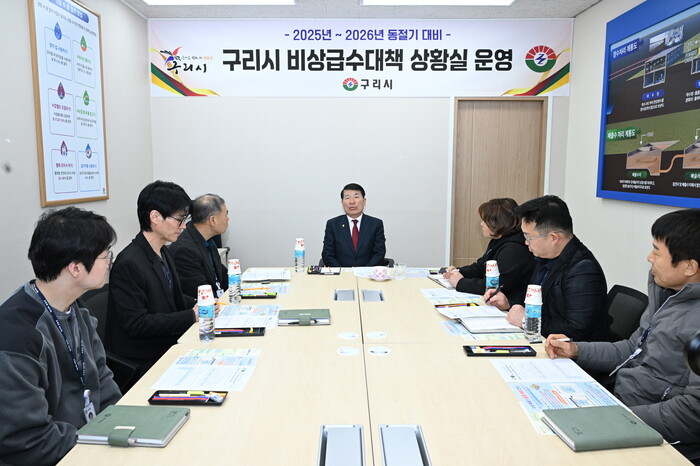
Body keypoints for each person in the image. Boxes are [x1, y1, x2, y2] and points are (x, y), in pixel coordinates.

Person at [545, 209, 700, 460]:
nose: (649, 258)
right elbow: (632, 349)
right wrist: (576, 349)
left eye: (657, 251)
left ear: (690, 267)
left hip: (660, 438)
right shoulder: (668, 296)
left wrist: (618, 418)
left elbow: (692, 413)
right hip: (623, 406)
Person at [0, 208, 121, 464]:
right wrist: (98, 445)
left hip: (86, 443)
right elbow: (26, 440)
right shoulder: (16, 336)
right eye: (105, 256)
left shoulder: (75, 308)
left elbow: (102, 378)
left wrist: (124, 426)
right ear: (75, 268)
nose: (109, 262)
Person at [107, 181, 197, 376]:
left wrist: (200, 303)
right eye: (179, 219)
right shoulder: (129, 263)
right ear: (155, 217)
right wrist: (192, 315)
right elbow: (137, 324)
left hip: (167, 346)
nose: (183, 226)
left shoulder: (163, 251)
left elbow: (169, 295)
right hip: (143, 360)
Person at [486, 195, 608, 341]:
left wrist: (526, 322)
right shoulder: (546, 256)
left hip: (572, 351)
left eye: (528, 237)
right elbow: (535, 301)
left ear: (553, 238)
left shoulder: (583, 270)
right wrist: (508, 303)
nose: (525, 243)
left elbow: (576, 330)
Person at [443, 198, 534, 304]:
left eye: (485, 221)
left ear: (497, 223)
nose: (481, 224)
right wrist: (458, 272)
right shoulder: (499, 240)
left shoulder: (514, 250)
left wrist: (460, 282)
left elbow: (495, 286)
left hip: (511, 305)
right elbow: (481, 267)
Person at [169, 193, 229, 300]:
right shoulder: (185, 250)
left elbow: (223, 276)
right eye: (225, 215)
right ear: (213, 220)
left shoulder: (209, 241)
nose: (228, 219)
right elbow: (200, 294)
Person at [321, 183, 386, 267]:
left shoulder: (375, 224)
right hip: (341, 273)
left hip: (368, 273)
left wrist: (364, 271)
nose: (352, 202)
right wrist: (343, 272)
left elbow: (379, 253)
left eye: (356, 197)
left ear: (364, 201)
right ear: (342, 202)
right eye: (347, 198)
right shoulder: (333, 224)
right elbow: (327, 255)